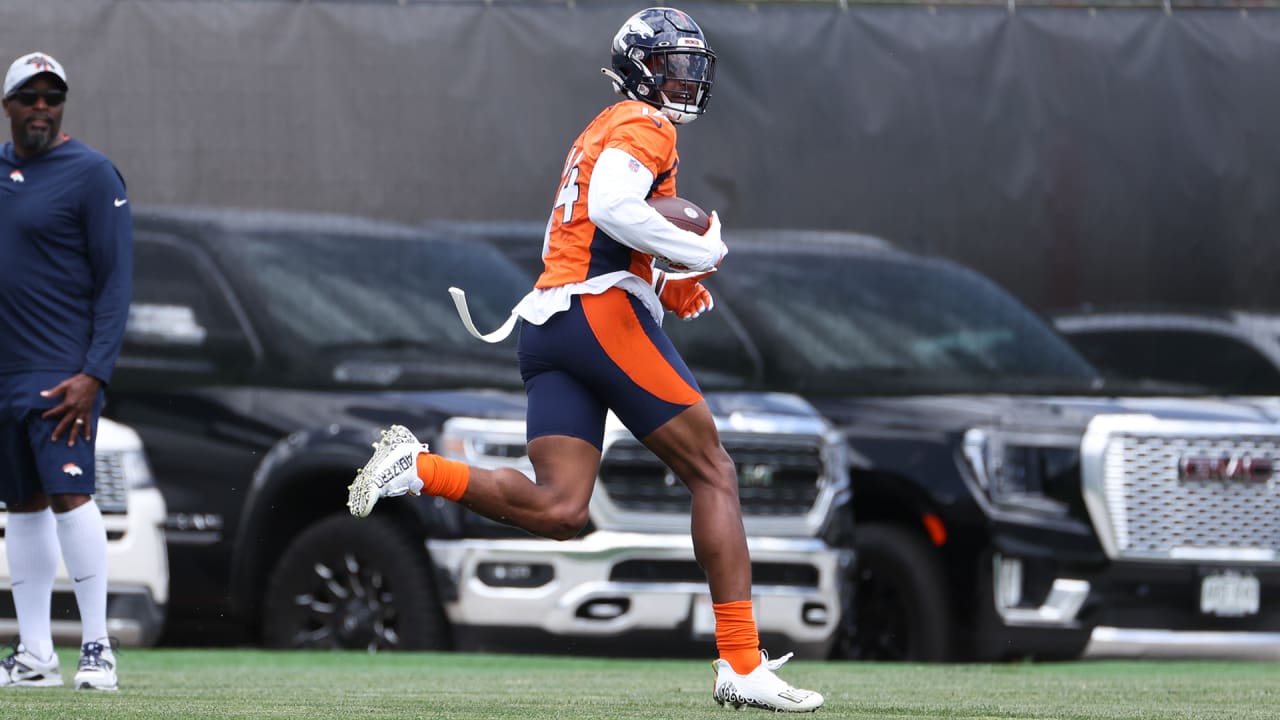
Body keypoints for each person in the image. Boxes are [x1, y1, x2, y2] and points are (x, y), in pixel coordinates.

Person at [347, 8, 823, 713]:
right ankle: (742, 664)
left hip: (550, 322)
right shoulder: (644, 123)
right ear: (638, 67)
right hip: (598, 313)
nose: (686, 78)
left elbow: (597, 232)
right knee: (714, 471)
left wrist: (668, 281)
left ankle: (418, 469)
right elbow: (610, 207)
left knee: (563, 508)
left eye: (693, 64)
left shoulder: (600, 129)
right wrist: (701, 252)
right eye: (672, 63)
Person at [0, 51, 133, 691]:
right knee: (21, 505)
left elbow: (115, 285)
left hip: (63, 377)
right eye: (31, 97)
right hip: (5, 376)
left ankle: (98, 650)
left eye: (53, 98)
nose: (43, 108)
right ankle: (33, 655)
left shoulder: (91, 173)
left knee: (71, 498)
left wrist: (95, 375)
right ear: (9, 106)